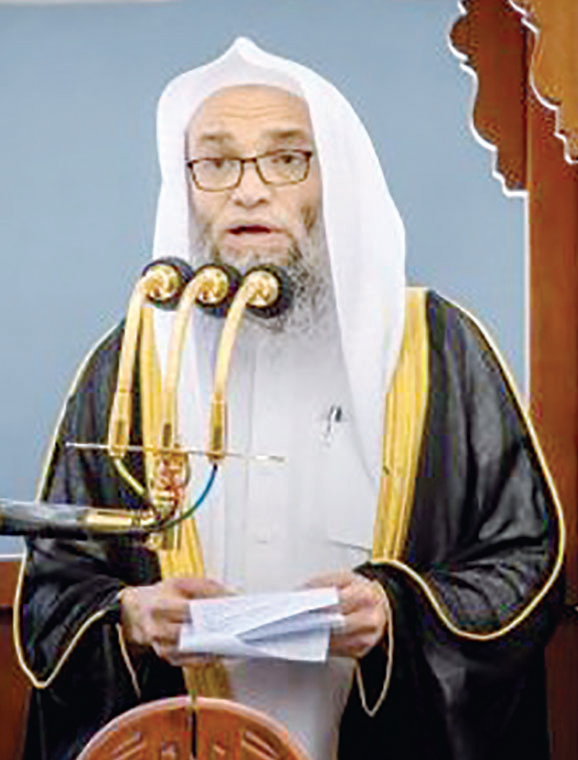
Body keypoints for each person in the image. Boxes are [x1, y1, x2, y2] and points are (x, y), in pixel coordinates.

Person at [16, 38, 563, 760]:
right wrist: (131, 617)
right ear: (185, 186)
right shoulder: (136, 362)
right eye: (216, 163)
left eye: (286, 159)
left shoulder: (434, 347)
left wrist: (394, 612)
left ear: (335, 181)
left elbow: (523, 559)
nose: (249, 190)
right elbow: (55, 586)